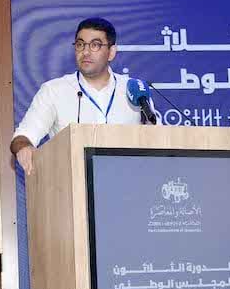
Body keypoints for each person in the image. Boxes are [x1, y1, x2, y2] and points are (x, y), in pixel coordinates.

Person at [10, 17, 149, 175]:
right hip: (73, 183)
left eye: (95, 45)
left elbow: (156, 138)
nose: (85, 52)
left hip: (129, 180)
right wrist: (24, 148)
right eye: (80, 44)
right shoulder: (54, 90)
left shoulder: (134, 89)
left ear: (111, 52)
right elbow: (23, 136)